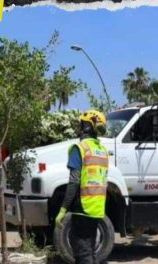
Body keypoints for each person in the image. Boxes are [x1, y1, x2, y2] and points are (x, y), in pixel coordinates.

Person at [55, 110, 109, 264]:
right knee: (90, 252)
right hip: (97, 209)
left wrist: (63, 209)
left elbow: (74, 182)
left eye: (81, 124)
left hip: (83, 208)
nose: (79, 128)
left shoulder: (79, 148)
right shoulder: (102, 151)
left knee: (83, 253)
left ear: (87, 126)